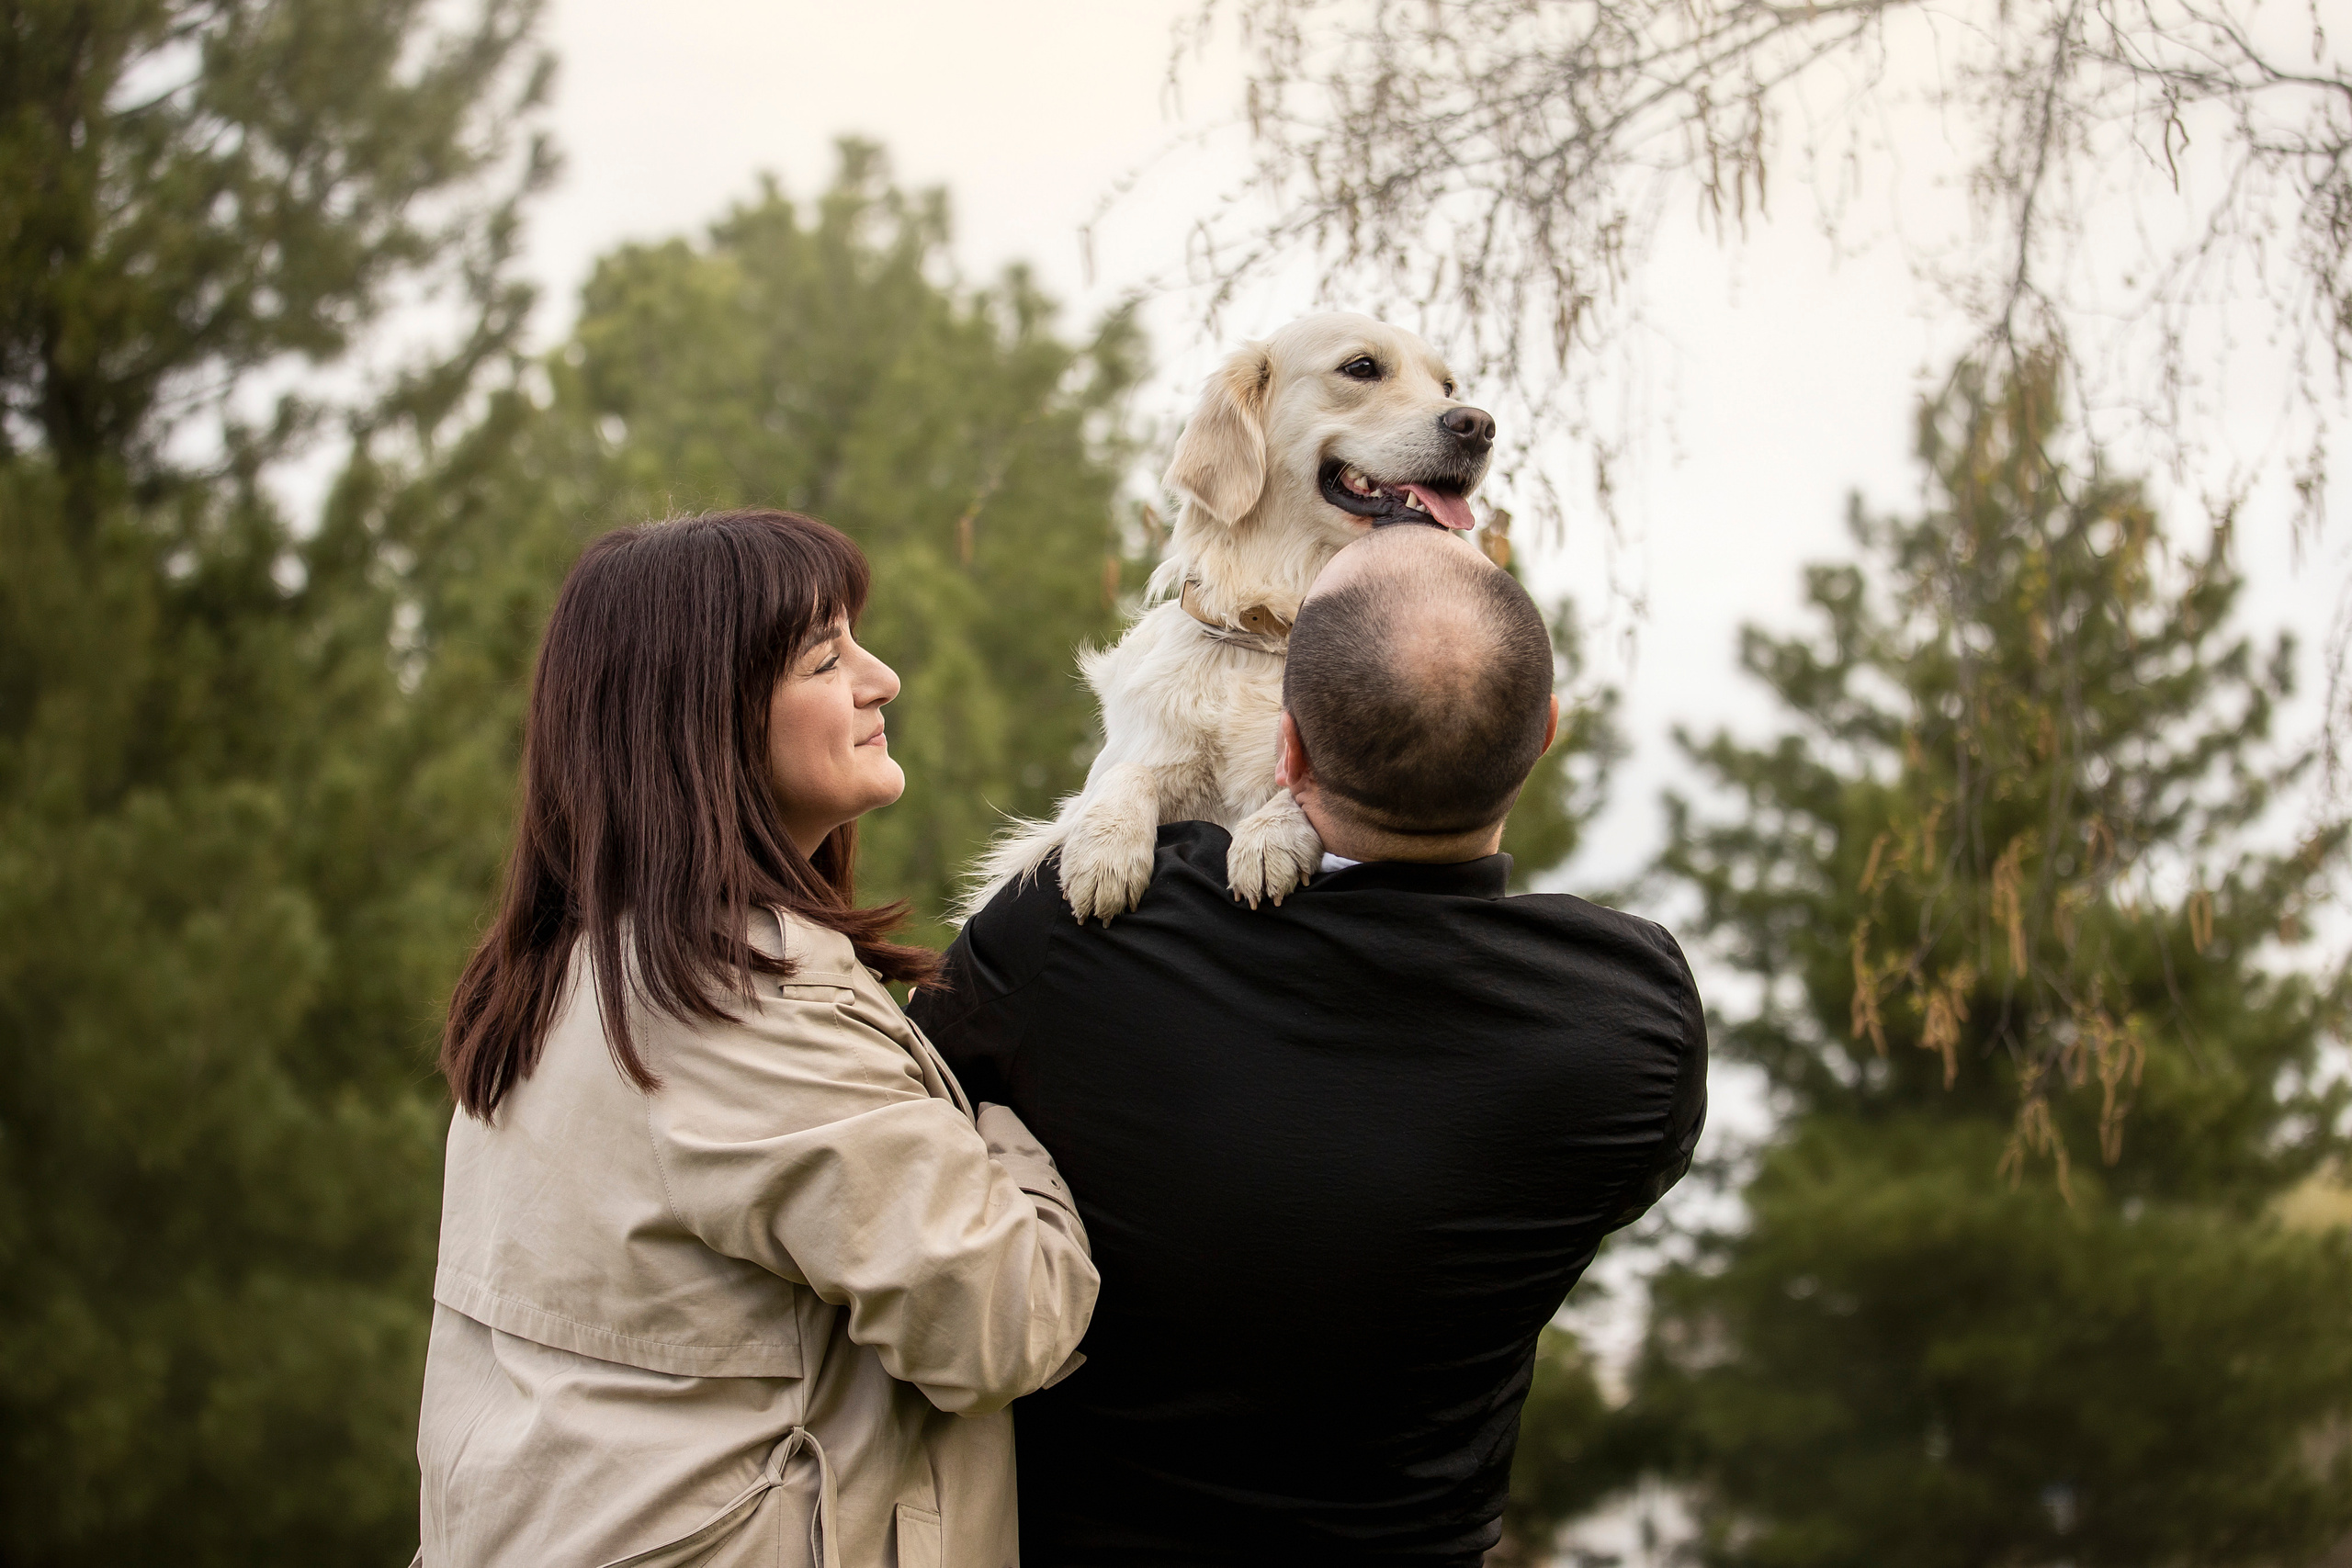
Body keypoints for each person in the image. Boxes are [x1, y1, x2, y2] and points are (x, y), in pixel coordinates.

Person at [910, 524, 1707, 1565]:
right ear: (1545, 733)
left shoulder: (1076, 931)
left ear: (1283, 748)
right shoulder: (1632, 1020)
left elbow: (912, 1126)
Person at [416, 510, 1098, 1568]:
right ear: (707, 723)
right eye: (826, 659)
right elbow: (1008, 1323)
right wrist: (994, 1120)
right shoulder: (737, 1013)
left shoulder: (570, 969)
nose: (882, 681)